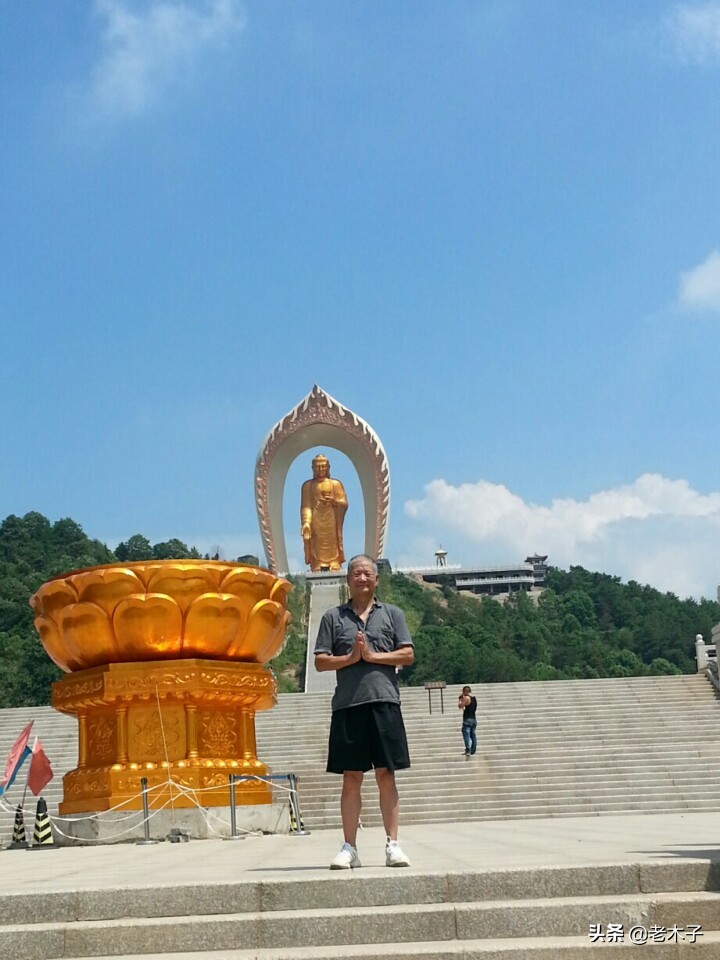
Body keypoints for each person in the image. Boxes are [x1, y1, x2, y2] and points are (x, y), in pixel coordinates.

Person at [314, 554, 414, 869]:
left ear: (376, 579)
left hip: (384, 701)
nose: (362, 578)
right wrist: (350, 658)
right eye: (356, 573)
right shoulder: (333, 617)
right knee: (351, 776)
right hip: (348, 705)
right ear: (348, 580)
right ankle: (349, 847)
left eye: (367, 573)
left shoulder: (393, 614)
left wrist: (372, 656)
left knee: (387, 773)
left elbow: (408, 654)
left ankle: (393, 844)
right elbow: (320, 661)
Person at [300, 454, 348, 572]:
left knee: (332, 539)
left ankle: (334, 561)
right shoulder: (308, 486)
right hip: (316, 519)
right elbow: (306, 507)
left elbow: (344, 503)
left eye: (323, 467)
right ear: (313, 468)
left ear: (328, 468)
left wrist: (335, 502)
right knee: (316, 540)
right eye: (317, 467)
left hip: (331, 518)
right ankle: (317, 562)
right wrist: (306, 523)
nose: (320, 470)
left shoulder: (335, 484)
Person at [458, 685, 477, 756]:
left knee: (466, 735)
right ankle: (473, 749)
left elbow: (460, 706)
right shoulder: (474, 699)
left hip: (467, 719)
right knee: (473, 735)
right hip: (473, 718)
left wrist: (460, 700)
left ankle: (468, 750)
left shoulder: (466, 698)